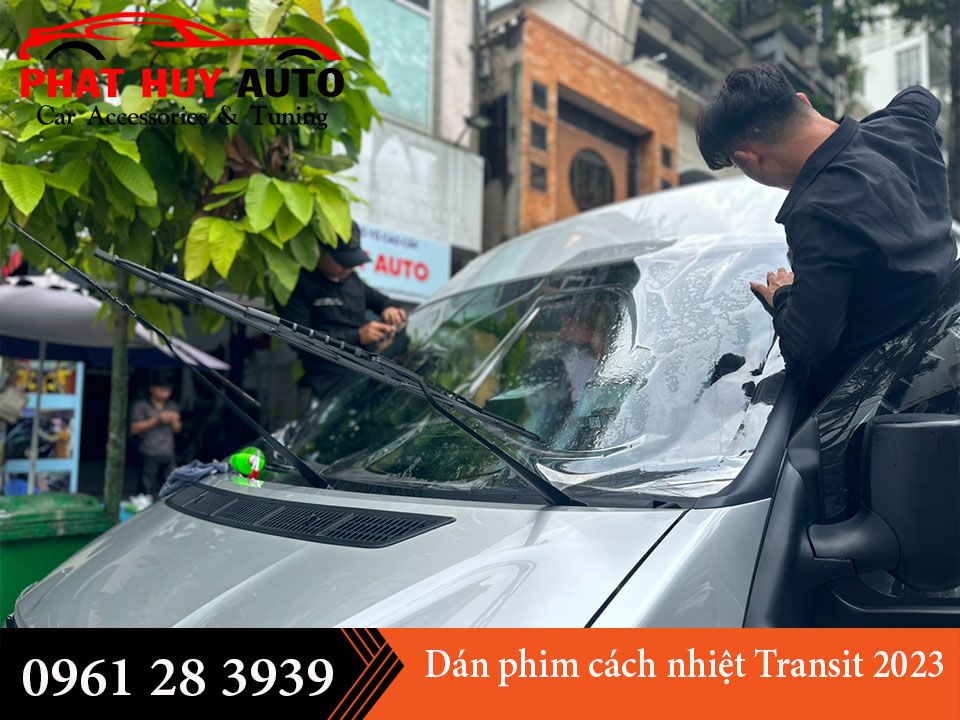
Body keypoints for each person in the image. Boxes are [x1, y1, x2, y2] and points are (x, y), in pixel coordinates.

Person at [696, 64, 956, 407]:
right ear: (803, 101)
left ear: (751, 159)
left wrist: (784, 295)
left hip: (871, 403)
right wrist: (864, 138)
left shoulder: (818, 214)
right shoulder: (903, 126)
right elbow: (921, 97)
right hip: (934, 357)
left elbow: (808, 347)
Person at [281, 221, 408, 399]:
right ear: (319, 250)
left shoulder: (352, 280)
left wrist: (390, 309)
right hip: (326, 388)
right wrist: (358, 336)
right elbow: (300, 340)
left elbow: (383, 301)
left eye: (352, 261)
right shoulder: (297, 285)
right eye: (342, 261)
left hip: (365, 378)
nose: (348, 268)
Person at [130, 371, 181, 497]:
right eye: (162, 389)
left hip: (168, 452)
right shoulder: (142, 405)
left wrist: (175, 420)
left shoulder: (172, 405)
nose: (165, 392)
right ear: (152, 389)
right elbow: (134, 428)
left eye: (168, 389)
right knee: (145, 488)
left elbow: (178, 429)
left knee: (171, 486)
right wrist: (157, 420)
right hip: (149, 451)